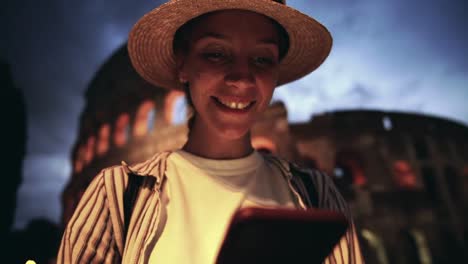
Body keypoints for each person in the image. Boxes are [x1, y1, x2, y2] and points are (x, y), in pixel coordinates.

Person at [57, 0, 364, 263]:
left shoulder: (318, 195)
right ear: (183, 65)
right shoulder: (115, 193)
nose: (242, 79)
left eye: (262, 59)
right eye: (216, 53)